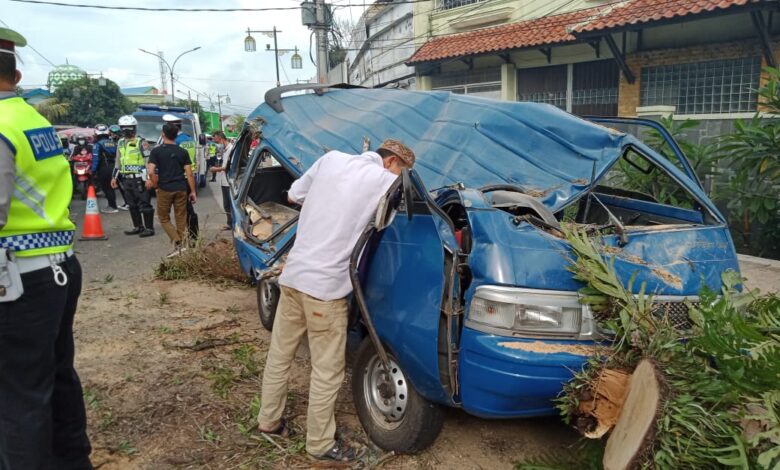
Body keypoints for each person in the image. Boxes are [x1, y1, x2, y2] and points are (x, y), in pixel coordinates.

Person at [257, 139, 415, 462]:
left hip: (293, 279)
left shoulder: (330, 161)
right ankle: (319, 445)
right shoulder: (386, 182)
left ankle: (268, 421)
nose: (401, 176)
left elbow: (293, 195)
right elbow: (388, 222)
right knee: (327, 371)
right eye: (403, 171)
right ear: (393, 163)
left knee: (280, 355)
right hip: (325, 292)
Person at [0, 27, 93, 469]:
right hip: (56, 268)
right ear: (16, 74)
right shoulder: (34, 121)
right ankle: (73, 461)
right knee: (55, 377)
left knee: (17, 396)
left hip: (16, 280)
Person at [147, 123, 196, 257]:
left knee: (163, 217)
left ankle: (178, 242)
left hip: (165, 188)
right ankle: (181, 247)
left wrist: (155, 186)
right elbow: (189, 174)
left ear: (163, 134)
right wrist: (193, 191)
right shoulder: (182, 152)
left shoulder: (156, 151)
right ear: (176, 135)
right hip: (181, 188)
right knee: (181, 217)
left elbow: (151, 172)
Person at [111, 115, 155, 237]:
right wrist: (114, 177)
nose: (126, 131)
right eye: (124, 128)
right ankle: (138, 226)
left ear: (134, 128)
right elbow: (118, 162)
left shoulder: (141, 142)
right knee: (132, 204)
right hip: (127, 179)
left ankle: (149, 228)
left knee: (145, 204)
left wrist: (148, 178)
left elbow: (148, 161)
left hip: (140, 179)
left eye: (129, 129)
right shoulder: (120, 143)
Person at [162, 114, 198, 243]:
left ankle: (182, 240)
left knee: (179, 212)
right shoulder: (188, 139)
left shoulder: (173, 142)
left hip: (176, 180)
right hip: (188, 178)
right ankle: (194, 236)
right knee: (188, 210)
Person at [92, 124, 119, 213]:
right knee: (110, 187)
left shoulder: (97, 145)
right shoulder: (112, 143)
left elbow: (96, 159)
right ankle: (112, 205)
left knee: (106, 188)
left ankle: (112, 206)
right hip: (113, 167)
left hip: (104, 168)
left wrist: (93, 170)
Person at [208, 130, 232, 230]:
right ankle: (229, 223)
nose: (216, 144)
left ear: (221, 138)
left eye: (217, 141)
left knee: (229, 204)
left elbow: (228, 166)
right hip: (224, 180)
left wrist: (215, 169)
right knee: (226, 204)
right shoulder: (225, 149)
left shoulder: (231, 149)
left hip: (228, 181)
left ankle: (232, 223)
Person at [108, 124, 129, 210]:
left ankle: (129, 203)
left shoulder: (121, 142)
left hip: (122, 166)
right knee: (121, 186)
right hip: (118, 166)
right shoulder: (112, 141)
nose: (112, 135)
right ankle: (127, 202)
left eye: (114, 133)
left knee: (124, 186)